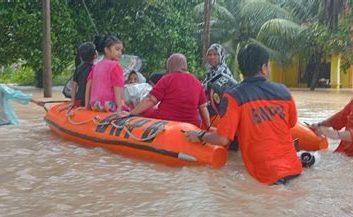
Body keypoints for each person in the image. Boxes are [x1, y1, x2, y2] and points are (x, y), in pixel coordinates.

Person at [185, 44, 302, 185]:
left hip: (264, 177)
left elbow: (222, 139)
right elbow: (290, 123)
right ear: (264, 68)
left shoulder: (233, 96)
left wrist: (199, 135)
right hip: (295, 170)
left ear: (241, 69)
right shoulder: (284, 91)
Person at [129, 53, 211, 128]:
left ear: (170, 66)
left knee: (145, 111)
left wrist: (131, 113)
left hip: (166, 121)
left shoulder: (167, 79)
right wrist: (208, 127)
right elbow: (203, 107)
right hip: (192, 124)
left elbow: (151, 99)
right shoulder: (197, 82)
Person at [85, 36, 128, 113]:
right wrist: (120, 106)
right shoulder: (115, 65)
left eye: (121, 50)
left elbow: (88, 84)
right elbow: (117, 87)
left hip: (95, 105)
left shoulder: (96, 66)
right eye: (117, 49)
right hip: (109, 105)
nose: (120, 53)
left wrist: (86, 105)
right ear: (107, 50)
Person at [202, 43, 237, 116]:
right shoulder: (210, 72)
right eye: (209, 54)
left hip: (222, 111)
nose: (212, 57)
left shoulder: (223, 71)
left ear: (221, 56)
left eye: (215, 54)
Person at [60, 42, 96, 110]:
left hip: (79, 101)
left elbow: (74, 86)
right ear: (95, 55)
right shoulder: (95, 69)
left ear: (80, 57)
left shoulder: (78, 68)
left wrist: (72, 102)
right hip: (89, 102)